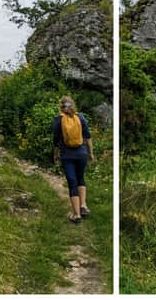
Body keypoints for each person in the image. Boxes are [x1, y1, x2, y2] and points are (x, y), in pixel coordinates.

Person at [52, 96, 94, 224]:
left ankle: (76, 215)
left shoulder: (58, 120)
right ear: (73, 105)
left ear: (61, 107)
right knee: (80, 178)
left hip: (67, 155)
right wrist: (91, 153)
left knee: (72, 181)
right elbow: (88, 137)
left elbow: (56, 141)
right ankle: (83, 206)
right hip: (82, 153)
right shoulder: (80, 117)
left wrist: (56, 155)